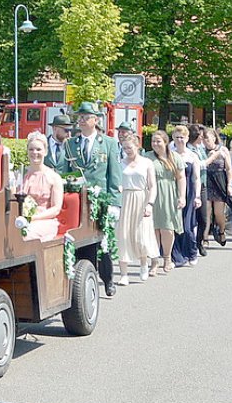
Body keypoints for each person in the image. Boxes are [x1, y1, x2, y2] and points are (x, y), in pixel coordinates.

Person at [65, 102, 123, 297]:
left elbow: (114, 175)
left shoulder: (108, 143)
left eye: (86, 116)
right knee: (81, 241)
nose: (81, 120)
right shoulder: (70, 144)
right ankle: (84, 281)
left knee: (103, 242)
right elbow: (66, 173)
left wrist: (115, 202)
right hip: (78, 201)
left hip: (102, 199)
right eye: (79, 116)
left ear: (95, 120)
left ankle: (108, 280)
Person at [117, 129, 158, 283]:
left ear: (137, 146)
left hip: (141, 198)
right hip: (125, 198)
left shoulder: (147, 163)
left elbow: (152, 186)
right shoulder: (120, 163)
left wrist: (150, 204)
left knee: (141, 235)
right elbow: (116, 182)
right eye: (125, 148)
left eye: (130, 148)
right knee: (124, 235)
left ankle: (143, 263)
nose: (127, 151)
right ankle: (124, 274)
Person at [17, 132, 65, 243]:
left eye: (38, 149)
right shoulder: (21, 176)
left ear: (45, 151)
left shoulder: (54, 177)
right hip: (21, 220)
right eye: (31, 149)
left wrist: (33, 218)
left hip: (45, 221)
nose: (35, 153)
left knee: (24, 234)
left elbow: (56, 209)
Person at [147, 129, 183, 270]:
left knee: (167, 228)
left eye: (158, 141)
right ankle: (154, 260)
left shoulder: (174, 157)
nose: (155, 144)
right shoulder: (147, 157)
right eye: (153, 141)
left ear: (166, 142)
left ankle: (167, 258)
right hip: (152, 194)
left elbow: (181, 178)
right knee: (153, 229)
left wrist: (181, 196)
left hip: (169, 194)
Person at [169, 124, 203, 263]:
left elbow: (196, 178)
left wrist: (198, 196)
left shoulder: (192, 156)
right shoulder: (170, 155)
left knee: (187, 226)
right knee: (174, 225)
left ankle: (192, 252)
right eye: (177, 137)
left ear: (187, 138)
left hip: (189, 192)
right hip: (173, 191)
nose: (179, 140)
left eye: (182, 137)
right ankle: (177, 256)